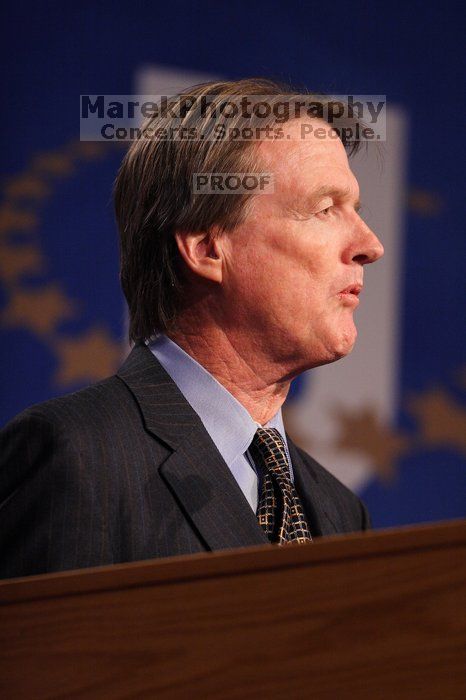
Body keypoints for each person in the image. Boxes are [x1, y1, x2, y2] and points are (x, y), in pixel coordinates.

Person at [0, 79, 384, 579]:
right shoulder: (76, 459)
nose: (369, 244)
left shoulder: (339, 513)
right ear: (207, 248)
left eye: (357, 210)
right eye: (324, 208)